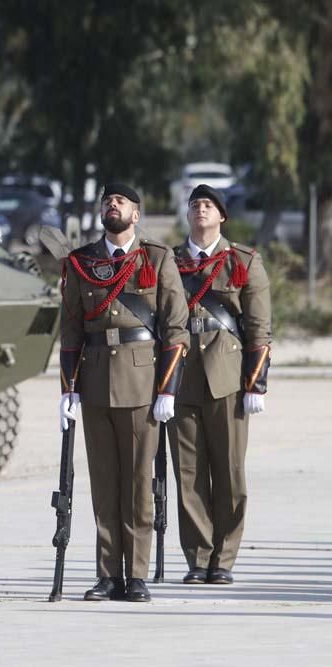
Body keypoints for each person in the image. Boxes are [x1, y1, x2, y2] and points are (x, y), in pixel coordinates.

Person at [59, 182, 189, 603]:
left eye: (121, 202)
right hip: (95, 382)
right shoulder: (83, 262)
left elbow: (174, 328)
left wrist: (167, 388)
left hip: (140, 382)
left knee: (136, 483)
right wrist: (69, 388)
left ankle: (136, 574)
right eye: (107, 201)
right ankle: (107, 574)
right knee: (104, 484)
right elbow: (72, 328)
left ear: (137, 214)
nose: (112, 205)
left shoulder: (156, 257)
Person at [168, 184, 271, 585]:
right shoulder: (171, 262)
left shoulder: (242, 261)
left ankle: (224, 558)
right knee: (188, 473)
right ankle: (198, 557)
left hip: (227, 377)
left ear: (222, 216)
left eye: (208, 205)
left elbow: (259, 327)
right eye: (195, 205)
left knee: (229, 474)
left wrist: (255, 383)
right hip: (180, 376)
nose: (200, 211)